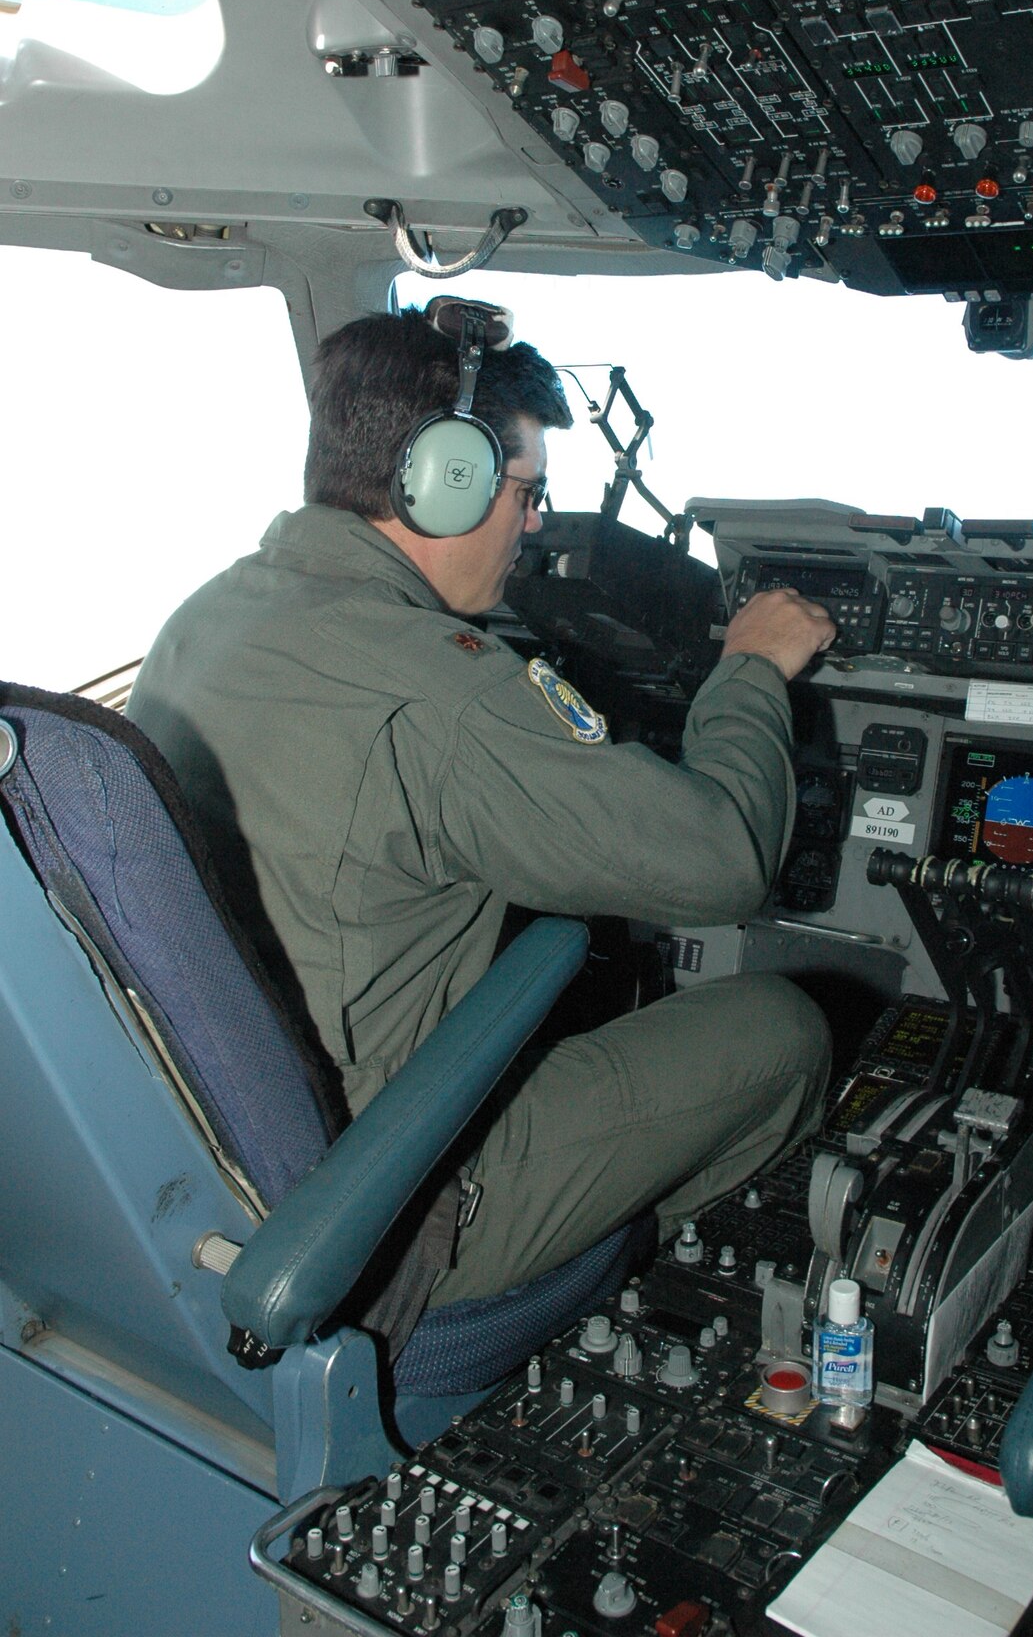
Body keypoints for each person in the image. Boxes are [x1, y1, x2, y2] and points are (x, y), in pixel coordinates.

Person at [128, 303, 835, 1315]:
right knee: (783, 1027)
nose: (535, 523)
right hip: (373, 1209)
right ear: (443, 480)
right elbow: (722, 857)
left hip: (199, 1156)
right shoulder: (443, 686)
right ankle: (584, 1275)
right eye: (526, 491)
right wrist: (752, 669)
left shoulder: (204, 614)